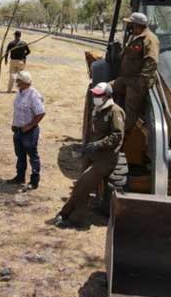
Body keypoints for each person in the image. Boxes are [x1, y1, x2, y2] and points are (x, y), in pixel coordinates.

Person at [53, 82, 124, 228]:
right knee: (81, 186)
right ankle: (70, 215)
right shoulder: (97, 109)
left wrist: (100, 144)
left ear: (107, 96)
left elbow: (117, 135)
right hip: (93, 155)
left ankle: (70, 216)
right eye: (95, 94)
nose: (95, 97)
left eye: (98, 95)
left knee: (83, 184)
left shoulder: (115, 111)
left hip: (106, 158)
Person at [111, 12, 159, 132]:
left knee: (130, 112)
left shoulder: (150, 39)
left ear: (136, 25)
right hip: (127, 79)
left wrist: (141, 83)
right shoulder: (135, 36)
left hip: (137, 83)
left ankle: (121, 135)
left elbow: (151, 61)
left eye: (130, 24)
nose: (128, 27)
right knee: (105, 89)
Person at [8, 71, 45, 190]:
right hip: (18, 130)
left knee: (32, 156)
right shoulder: (20, 93)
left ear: (23, 82)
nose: (16, 83)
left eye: (18, 81)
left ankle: (34, 181)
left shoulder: (33, 95)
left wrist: (29, 126)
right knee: (20, 155)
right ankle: (20, 177)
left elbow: (40, 113)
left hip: (29, 132)